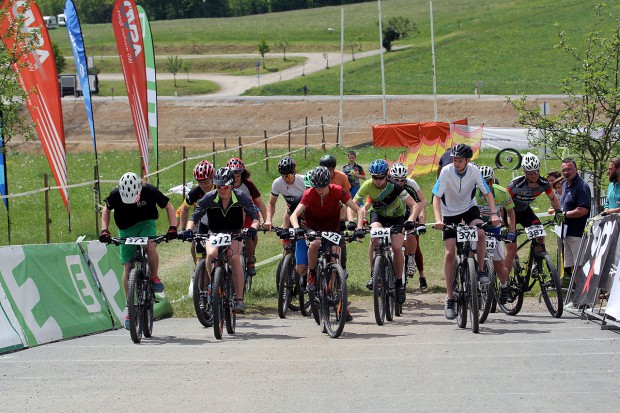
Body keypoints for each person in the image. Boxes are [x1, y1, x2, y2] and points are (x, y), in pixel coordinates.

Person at [99, 172, 177, 329]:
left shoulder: (148, 190)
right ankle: (130, 308)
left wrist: (173, 227)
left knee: (150, 246)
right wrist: (104, 230)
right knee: (127, 266)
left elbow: (168, 206)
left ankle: (154, 277)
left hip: (146, 223)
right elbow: (105, 210)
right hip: (126, 229)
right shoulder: (115, 193)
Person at [432, 144, 500, 320]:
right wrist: (438, 219)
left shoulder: (474, 171)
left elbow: (487, 193)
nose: (456, 163)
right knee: (449, 254)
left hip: (469, 208)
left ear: (467, 160)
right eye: (454, 159)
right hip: (449, 212)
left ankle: (480, 270)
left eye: (460, 160)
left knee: (481, 233)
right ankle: (449, 298)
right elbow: (436, 197)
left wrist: (493, 214)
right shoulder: (446, 171)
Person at [290, 166, 365, 321]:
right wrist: (297, 228)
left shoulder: (338, 190)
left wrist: (358, 227)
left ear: (329, 183)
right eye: (317, 187)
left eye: (323, 186)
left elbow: (359, 210)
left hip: (332, 229)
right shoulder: (309, 193)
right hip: (314, 228)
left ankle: (331, 291)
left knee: (335, 256)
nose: (320, 190)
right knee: (315, 243)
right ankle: (311, 274)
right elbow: (294, 215)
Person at [181, 167, 260, 313]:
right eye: (218, 187)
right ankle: (213, 284)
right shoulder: (209, 197)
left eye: (224, 187)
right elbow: (194, 217)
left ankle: (239, 299)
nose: (221, 190)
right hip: (214, 233)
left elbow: (255, 217)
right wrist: (188, 230)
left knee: (235, 258)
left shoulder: (241, 196)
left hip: (234, 233)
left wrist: (253, 228)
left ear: (231, 185)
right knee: (211, 255)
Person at [356, 159, 424, 305]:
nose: (378, 181)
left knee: (397, 247)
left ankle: (399, 283)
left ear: (387, 175)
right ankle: (373, 274)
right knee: (374, 239)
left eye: (381, 177)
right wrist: (358, 226)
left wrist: (411, 219)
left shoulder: (395, 187)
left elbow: (414, 205)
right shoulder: (367, 185)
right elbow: (357, 206)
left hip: (396, 217)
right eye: (375, 177)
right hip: (378, 215)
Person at [505, 152, 563, 273]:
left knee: (540, 236)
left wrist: (558, 212)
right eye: (530, 173)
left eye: (536, 171)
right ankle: (505, 283)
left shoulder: (544, 183)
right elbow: (502, 203)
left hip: (525, 211)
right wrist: (502, 223)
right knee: (511, 248)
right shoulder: (516, 184)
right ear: (525, 172)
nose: (534, 175)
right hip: (510, 213)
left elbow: (553, 198)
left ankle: (537, 264)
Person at [477, 166, 517, 305]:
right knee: (470, 257)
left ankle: (504, 286)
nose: (485, 185)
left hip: (494, 230)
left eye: (488, 181)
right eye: (482, 182)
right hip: (476, 229)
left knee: (500, 266)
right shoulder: (471, 193)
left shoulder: (502, 192)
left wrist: (511, 231)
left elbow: (511, 212)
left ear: (492, 180)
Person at [388, 161, 428, 291]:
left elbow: (423, 202)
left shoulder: (411, 184)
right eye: (397, 180)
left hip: (409, 213)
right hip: (394, 216)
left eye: (402, 180)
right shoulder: (387, 184)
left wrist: (420, 222)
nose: (400, 182)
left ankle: (420, 274)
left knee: (414, 242)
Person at [227, 157, 267, 277]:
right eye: (234, 172)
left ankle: (250, 261)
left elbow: (260, 202)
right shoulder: (225, 183)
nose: (236, 175)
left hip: (249, 210)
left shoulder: (248, 184)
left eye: (239, 172)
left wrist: (267, 220)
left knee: (249, 235)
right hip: (232, 212)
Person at [559, 158, 591, 283]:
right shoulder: (564, 185)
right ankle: (578, 297)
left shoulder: (582, 186)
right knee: (573, 266)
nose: (566, 172)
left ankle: (585, 297)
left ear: (576, 170)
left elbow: (583, 210)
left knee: (580, 266)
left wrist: (565, 214)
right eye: (564, 170)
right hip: (566, 232)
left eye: (569, 169)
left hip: (578, 233)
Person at [179, 161, 215, 263]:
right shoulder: (195, 192)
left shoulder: (220, 188)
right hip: (203, 223)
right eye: (200, 182)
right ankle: (198, 273)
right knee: (198, 250)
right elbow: (184, 209)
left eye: (206, 182)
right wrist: (183, 229)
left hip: (219, 223)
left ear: (212, 178)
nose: (203, 185)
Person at [263, 156, 306, 232]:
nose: (287, 179)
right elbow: (271, 204)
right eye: (284, 176)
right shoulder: (277, 183)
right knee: (284, 235)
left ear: (294, 172)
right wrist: (268, 220)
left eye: (289, 175)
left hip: (306, 212)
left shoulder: (304, 181)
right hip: (290, 211)